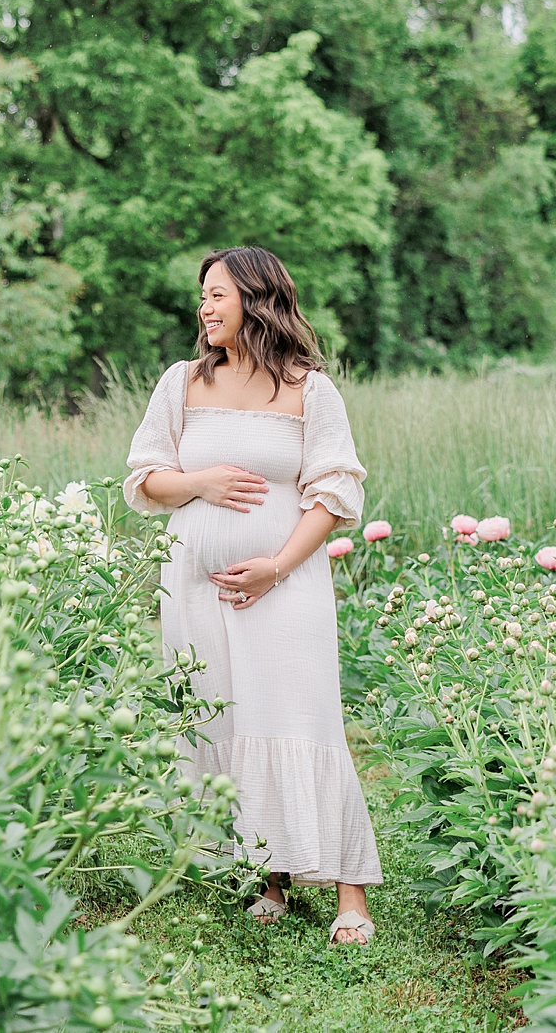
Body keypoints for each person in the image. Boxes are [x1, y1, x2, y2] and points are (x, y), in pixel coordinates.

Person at [124, 246, 381, 945]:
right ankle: (270, 876)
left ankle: (349, 892)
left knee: (303, 715)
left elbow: (335, 493)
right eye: (202, 296)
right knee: (230, 718)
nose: (204, 307)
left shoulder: (310, 388)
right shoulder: (182, 382)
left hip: (285, 582)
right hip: (194, 589)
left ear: (256, 298)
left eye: (216, 295)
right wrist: (200, 481)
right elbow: (145, 479)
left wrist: (275, 565)